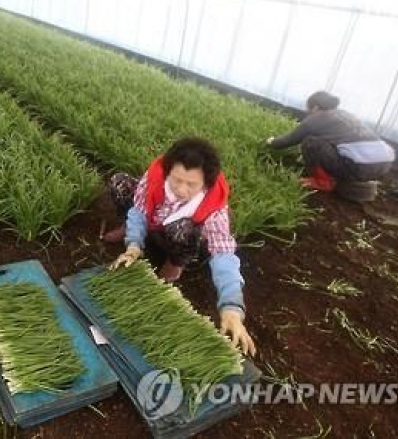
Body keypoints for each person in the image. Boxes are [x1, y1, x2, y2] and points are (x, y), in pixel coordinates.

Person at [108, 137, 256, 356]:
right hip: (157, 223)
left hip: (182, 236)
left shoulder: (213, 207)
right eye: (176, 180)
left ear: (205, 183)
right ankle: (132, 232)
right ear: (168, 172)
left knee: (183, 229)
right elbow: (139, 209)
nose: (181, 189)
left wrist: (232, 307)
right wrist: (133, 244)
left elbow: (223, 254)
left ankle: (175, 264)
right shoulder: (156, 175)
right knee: (120, 183)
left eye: (191, 184)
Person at [266, 90, 395, 192]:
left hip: (360, 167)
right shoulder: (345, 114)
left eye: (309, 109)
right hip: (384, 164)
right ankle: (351, 178)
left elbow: (288, 141)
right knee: (330, 145)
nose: (308, 113)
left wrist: (270, 141)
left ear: (315, 107)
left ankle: (323, 181)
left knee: (310, 143)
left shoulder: (316, 118)